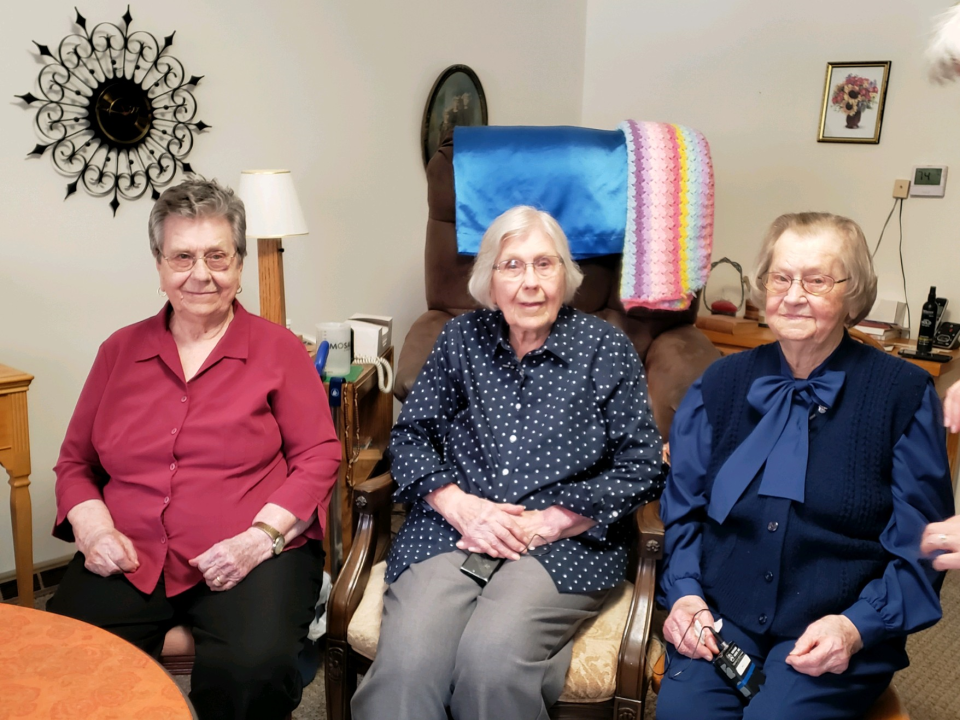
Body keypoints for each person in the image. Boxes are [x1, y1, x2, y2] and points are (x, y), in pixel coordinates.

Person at [351, 205, 664, 720]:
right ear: (488, 281)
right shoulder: (459, 339)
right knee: (408, 667)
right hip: (450, 531)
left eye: (545, 264)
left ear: (567, 275)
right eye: (512, 266)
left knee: (491, 663)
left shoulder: (605, 347)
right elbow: (410, 439)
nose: (530, 283)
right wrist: (457, 505)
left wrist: (553, 520)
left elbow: (642, 463)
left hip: (562, 543)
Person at [47, 177, 340, 720]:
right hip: (131, 555)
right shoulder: (119, 351)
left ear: (239, 265)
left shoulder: (278, 350)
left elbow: (320, 455)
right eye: (182, 257)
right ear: (159, 265)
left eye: (216, 256)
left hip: (251, 555)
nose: (200, 274)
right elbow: (75, 464)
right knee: (63, 658)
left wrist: (259, 541)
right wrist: (94, 531)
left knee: (251, 671)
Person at [656, 212, 955, 720]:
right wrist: (685, 596)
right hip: (723, 619)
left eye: (817, 280)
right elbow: (684, 511)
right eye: (781, 277)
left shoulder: (902, 395)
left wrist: (857, 626)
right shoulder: (719, 385)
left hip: (836, 624)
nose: (794, 295)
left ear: (853, 293)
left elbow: (921, 545)